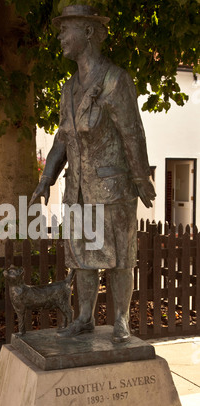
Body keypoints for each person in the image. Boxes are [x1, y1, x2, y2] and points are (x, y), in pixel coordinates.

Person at [30, 5, 156, 342]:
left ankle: (121, 321)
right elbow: (63, 137)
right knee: (82, 260)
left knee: (120, 259)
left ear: (87, 32)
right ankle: (84, 318)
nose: (59, 37)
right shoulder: (68, 88)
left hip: (114, 188)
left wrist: (142, 180)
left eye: (65, 29)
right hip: (79, 190)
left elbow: (132, 134)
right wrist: (46, 179)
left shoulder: (116, 80)